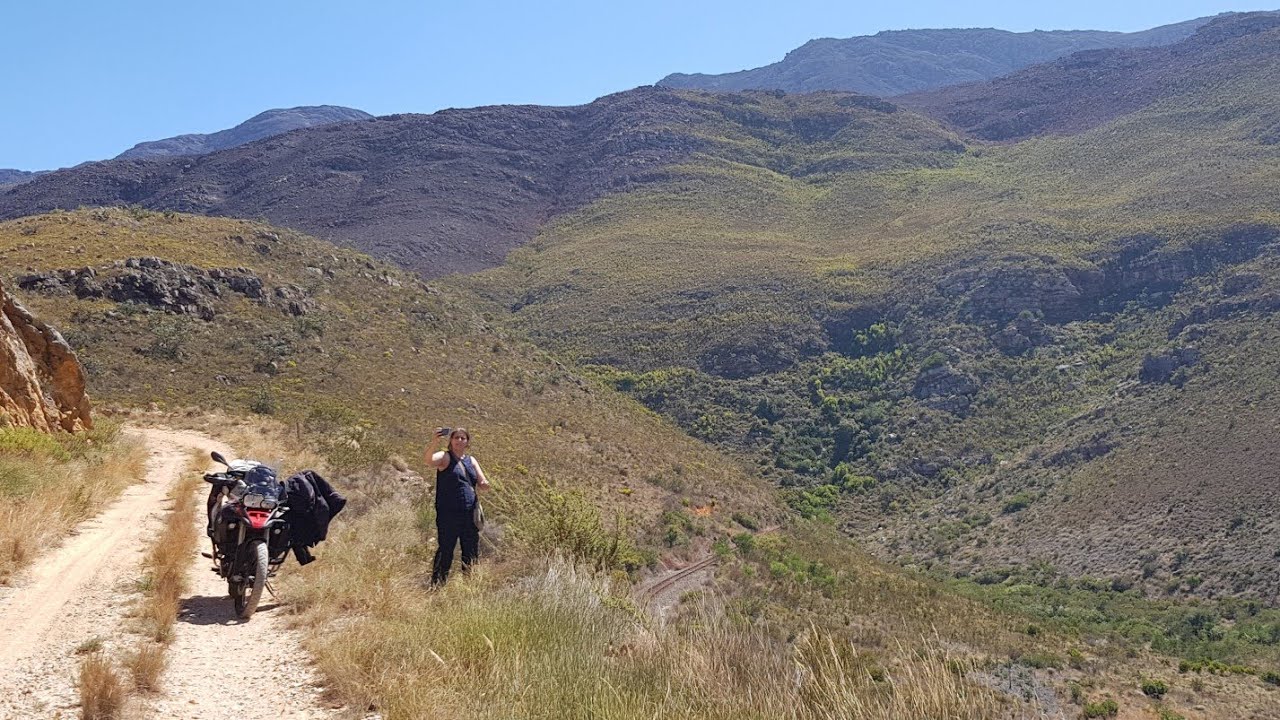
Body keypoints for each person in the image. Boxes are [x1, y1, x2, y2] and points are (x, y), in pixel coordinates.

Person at [426, 426, 490, 585]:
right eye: (456, 437)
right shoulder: (445, 457)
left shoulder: (471, 460)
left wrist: (484, 484)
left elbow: (482, 481)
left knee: (471, 550)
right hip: (448, 514)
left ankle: (470, 585)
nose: (459, 440)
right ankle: (437, 585)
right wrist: (434, 441)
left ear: (467, 441)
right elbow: (428, 460)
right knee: (446, 549)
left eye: (463, 438)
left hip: (469, 513)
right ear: (451, 440)